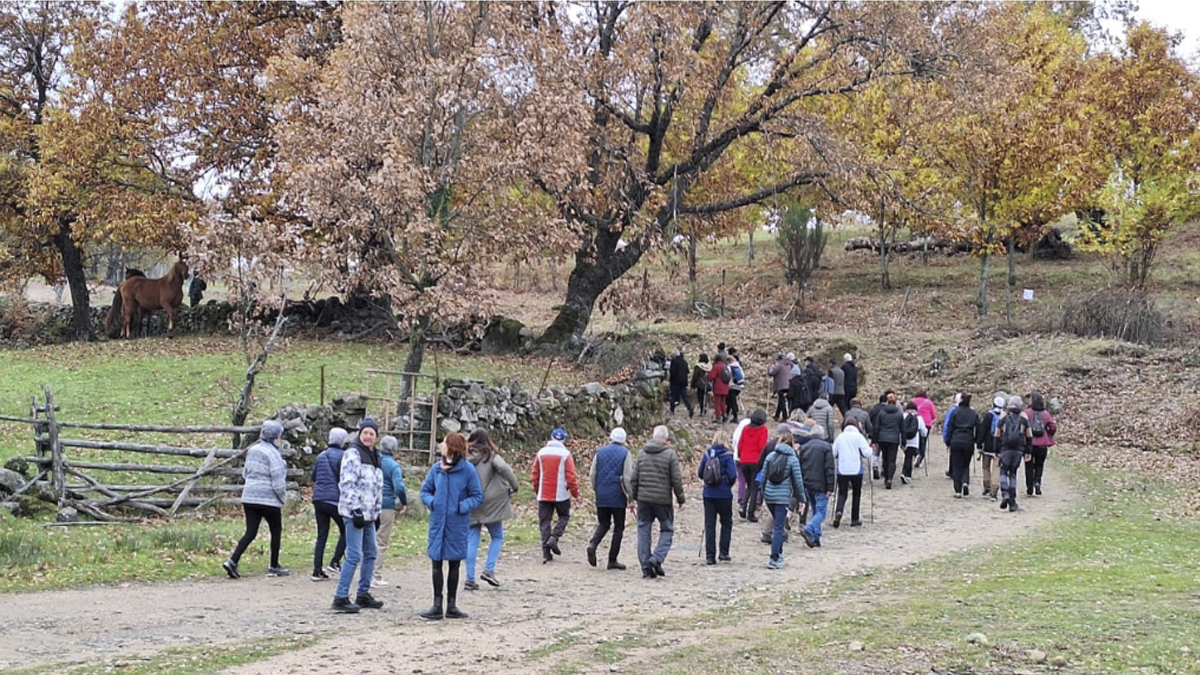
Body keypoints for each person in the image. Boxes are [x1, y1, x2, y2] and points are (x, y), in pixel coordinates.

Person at [419, 433, 484, 620]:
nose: (441, 445)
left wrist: (461, 506)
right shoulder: (436, 469)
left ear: (452, 447)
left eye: (444, 442)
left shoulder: (468, 470)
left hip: (457, 524)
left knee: (454, 563)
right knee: (436, 563)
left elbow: (477, 496)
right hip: (438, 523)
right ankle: (437, 605)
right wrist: (433, 502)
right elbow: (425, 491)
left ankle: (452, 605)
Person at [329, 418, 385, 613]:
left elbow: (377, 488)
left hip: (369, 514)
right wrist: (355, 509)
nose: (368, 436)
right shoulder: (353, 454)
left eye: (372, 433)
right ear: (360, 434)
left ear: (376, 437)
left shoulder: (376, 456)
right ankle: (341, 596)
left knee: (371, 553)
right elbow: (347, 482)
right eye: (365, 433)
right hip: (355, 513)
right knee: (354, 554)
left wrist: (376, 512)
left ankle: (363, 593)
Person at [224, 420, 289, 580]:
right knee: (276, 530)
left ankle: (233, 560)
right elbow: (278, 480)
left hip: (250, 497)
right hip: (268, 499)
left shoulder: (253, 450)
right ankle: (274, 565)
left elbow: (245, 473)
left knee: (251, 531)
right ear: (276, 437)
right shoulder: (273, 454)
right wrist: (283, 498)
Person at [464, 428, 519, 590]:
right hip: (492, 502)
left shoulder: (465, 458)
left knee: (472, 539)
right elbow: (505, 469)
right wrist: (515, 487)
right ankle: (489, 569)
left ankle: (469, 578)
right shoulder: (491, 456)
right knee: (497, 536)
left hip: (471, 500)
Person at [630, 425, 685, 579]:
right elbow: (676, 479)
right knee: (667, 530)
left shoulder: (642, 453)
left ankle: (646, 565)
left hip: (644, 499)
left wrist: (634, 497)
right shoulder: (670, 455)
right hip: (663, 500)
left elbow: (634, 478)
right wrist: (681, 499)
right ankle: (656, 558)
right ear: (666, 439)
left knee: (643, 530)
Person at [587, 427, 634, 571]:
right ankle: (612, 560)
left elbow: (592, 474)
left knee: (603, 523)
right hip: (618, 495)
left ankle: (593, 544)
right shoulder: (625, 454)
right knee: (618, 528)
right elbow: (627, 477)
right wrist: (631, 497)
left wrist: (597, 489)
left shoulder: (599, 453)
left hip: (602, 494)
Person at [532, 427, 580, 563]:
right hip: (561, 493)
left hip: (544, 493)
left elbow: (535, 474)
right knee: (564, 516)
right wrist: (575, 493)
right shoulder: (565, 454)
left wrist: (537, 489)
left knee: (544, 522)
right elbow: (571, 477)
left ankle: (546, 553)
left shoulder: (541, 453)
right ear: (564, 439)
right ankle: (555, 537)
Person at [761, 425, 806, 569]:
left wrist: (763, 493)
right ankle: (774, 558)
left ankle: (778, 553)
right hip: (782, 497)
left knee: (777, 523)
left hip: (769, 495)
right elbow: (798, 481)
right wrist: (802, 499)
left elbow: (763, 477)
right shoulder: (793, 459)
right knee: (779, 527)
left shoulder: (770, 456)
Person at [310, 427, 348, 581]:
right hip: (335, 500)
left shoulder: (321, 456)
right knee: (346, 530)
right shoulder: (343, 457)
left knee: (322, 535)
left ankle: (316, 570)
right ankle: (335, 561)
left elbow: (313, 476)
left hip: (318, 499)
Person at [697, 429, 738, 565]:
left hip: (708, 493)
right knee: (726, 522)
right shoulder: (727, 456)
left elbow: (700, 473)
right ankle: (724, 553)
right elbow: (732, 475)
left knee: (710, 524)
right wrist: (727, 484)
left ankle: (710, 556)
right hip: (724, 494)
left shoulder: (707, 454)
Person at [373, 434, 408, 587]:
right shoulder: (393, 466)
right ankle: (376, 575)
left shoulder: (374, 460)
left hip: (370, 503)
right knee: (381, 541)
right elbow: (399, 486)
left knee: (368, 538)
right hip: (386, 504)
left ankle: (365, 572)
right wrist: (403, 502)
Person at [798, 424, 834, 549]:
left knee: (815, 510)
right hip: (821, 484)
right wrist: (831, 487)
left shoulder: (804, 447)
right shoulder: (826, 447)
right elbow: (829, 468)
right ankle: (809, 529)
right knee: (821, 512)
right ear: (822, 435)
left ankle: (816, 537)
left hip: (808, 483)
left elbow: (800, 467)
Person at [832, 418, 872, 528]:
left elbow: (833, 452)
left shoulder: (840, 437)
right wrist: (871, 450)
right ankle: (854, 518)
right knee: (856, 493)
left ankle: (838, 511)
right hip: (856, 469)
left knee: (842, 493)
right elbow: (867, 453)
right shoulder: (859, 437)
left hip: (842, 469)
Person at [995, 395, 1033, 512]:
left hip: (1005, 448)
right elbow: (1029, 436)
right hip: (1018, 449)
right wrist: (1028, 451)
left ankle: (1005, 493)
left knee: (1003, 471)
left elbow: (996, 435)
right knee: (1013, 473)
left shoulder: (1003, 417)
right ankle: (1012, 500)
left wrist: (997, 450)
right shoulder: (1024, 419)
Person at [735, 409, 770, 522]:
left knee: (749, 485)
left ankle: (743, 506)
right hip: (755, 461)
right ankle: (751, 512)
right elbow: (762, 446)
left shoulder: (746, 428)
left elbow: (740, 444)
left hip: (744, 460)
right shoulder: (763, 429)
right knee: (755, 487)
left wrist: (740, 455)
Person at [946, 394, 980, 498]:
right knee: (965, 464)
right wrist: (976, 440)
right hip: (968, 441)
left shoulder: (955, 412)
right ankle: (965, 481)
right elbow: (978, 428)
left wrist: (948, 442)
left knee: (956, 465)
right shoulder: (973, 413)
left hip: (956, 440)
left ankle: (957, 490)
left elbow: (950, 427)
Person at [1024, 392, 1057, 497]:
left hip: (1029, 443)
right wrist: (1048, 434)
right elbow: (1053, 427)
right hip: (1042, 443)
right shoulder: (1046, 414)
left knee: (1028, 465)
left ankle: (1029, 487)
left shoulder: (1026, 413)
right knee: (1039, 464)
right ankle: (1037, 482)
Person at [976, 392, 1008, 500]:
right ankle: (994, 490)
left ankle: (987, 486)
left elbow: (982, 430)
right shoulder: (1004, 416)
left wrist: (979, 444)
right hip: (999, 447)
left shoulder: (988, 415)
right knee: (996, 468)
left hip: (987, 446)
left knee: (985, 466)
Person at [872, 393, 904, 489]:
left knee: (885, 458)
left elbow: (876, 427)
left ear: (886, 402)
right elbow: (903, 429)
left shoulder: (881, 413)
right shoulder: (899, 414)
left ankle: (886, 477)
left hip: (882, 438)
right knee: (892, 459)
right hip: (894, 439)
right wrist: (904, 443)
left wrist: (874, 441)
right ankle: (890, 478)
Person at [900, 402, 928, 485]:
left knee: (907, 456)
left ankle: (906, 474)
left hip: (903, 440)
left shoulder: (903, 416)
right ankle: (906, 474)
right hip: (913, 440)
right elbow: (924, 432)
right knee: (909, 457)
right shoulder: (919, 418)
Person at [911, 389, 937, 469]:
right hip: (926, 423)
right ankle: (920, 458)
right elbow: (933, 415)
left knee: (914, 440)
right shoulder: (929, 402)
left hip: (914, 422)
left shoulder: (912, 401)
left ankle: (916, 454)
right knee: (923, 441)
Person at [667, 348, 694, 417]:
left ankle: (672, 410)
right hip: (683, 382)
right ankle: (689, 406)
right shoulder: (684, 362)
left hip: (675, 382)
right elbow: (687, 371)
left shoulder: (674, 361)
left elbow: (672, 371)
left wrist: (670, 379)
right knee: (685, 396)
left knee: (673, 396)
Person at [941, 393, 961, 478]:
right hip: (967, 437)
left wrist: (946, 439)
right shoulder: (970, 410)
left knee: (953, 454)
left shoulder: (952, 410)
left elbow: (947, 424)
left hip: (954, 436)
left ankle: (952, 470)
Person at [707, 354, 731, 423]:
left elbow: (712, 376)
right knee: (722, 402)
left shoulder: (716, 366)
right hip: (726, 387)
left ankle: (718, 417)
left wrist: (707, 377)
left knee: (717, 403)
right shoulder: (725, 366)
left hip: (718, 387)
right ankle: (724, 415)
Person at [768, 354, 792, 421]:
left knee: (782, 401)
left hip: (781, 385)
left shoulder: (779, 365)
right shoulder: (789, 365)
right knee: (780, 400)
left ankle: (784, 416)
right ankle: (777, 415)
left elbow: (771, 372)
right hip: (788, 384)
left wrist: (770, 367)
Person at [726, 348, 745, 421]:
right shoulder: (738, 365)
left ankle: (735, 417)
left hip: (732, 386)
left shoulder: (729, 367)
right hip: (740, 385)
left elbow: (727, 377)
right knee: (730, 400)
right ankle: (727, 414)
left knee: (732, 401)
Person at [691, 354, 712, 418]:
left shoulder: (698, 366)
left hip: (700, 384)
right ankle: (705, 408)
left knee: (700, 397)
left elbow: (695, 376)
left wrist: (693, 384)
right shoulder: (709, 366)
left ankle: (702, 410)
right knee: (704, 397)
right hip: (707, 384)